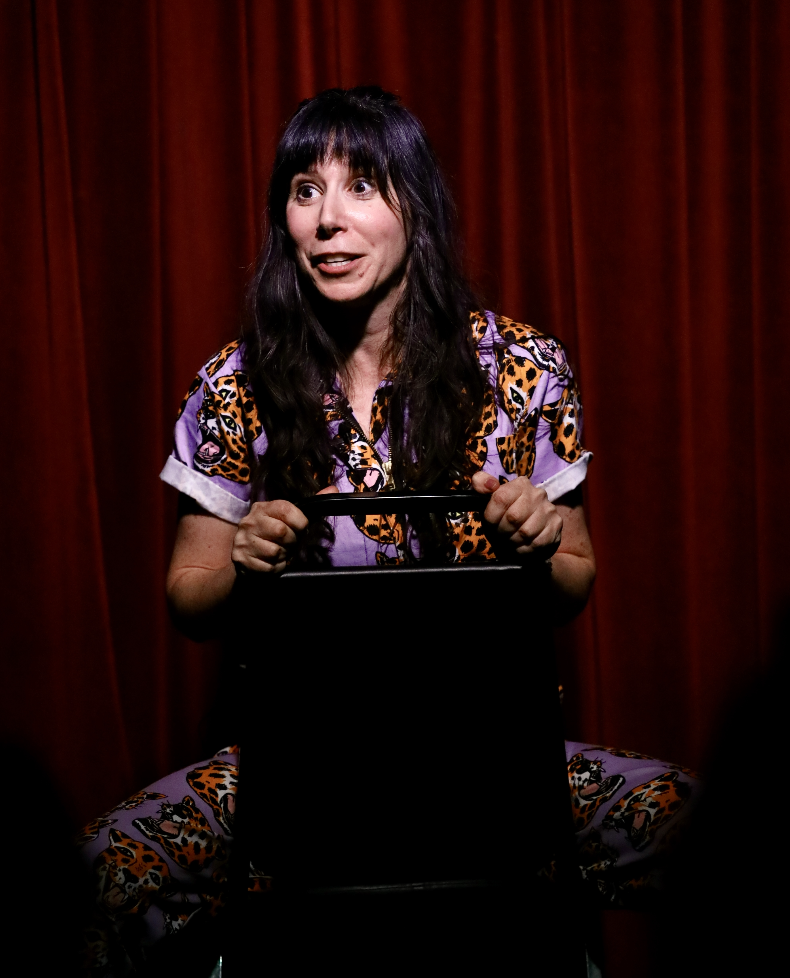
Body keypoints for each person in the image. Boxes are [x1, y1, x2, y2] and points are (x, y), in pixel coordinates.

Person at [77, 87, 699, 975]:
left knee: (698, 822)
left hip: (492, 760)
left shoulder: (522, 368)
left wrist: (537, 538)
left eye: (361, 186)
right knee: (95, 874)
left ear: (417, 206)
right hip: (297, 770)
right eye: (305, 190)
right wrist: (244, 556)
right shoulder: (237, 381)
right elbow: (189, 593)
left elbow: (575, 577)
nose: (328, 218)